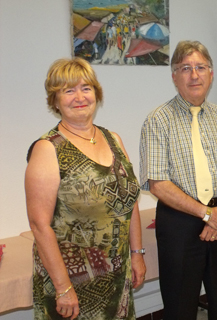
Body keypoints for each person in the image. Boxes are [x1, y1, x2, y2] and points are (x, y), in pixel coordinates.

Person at [25, 57, 146, 320]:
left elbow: (130, 202)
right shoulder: (48, 149)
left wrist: (137, 254)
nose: (79, 96)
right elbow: (39, 225)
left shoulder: (113, 139)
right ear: (55, 100)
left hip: (116, 273)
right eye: (68, 90)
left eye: (86, 88)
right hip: (72, 279)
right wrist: (62, 286)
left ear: (96, 94)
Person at [139, 40, 217, 320]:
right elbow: (158, 183)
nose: (194, 75)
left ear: (211, 74)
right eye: (185, 68)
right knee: (180, 306)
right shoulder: (158, 120)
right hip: (179, 222)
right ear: (174, 76)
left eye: (201, 67)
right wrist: (206, 214)